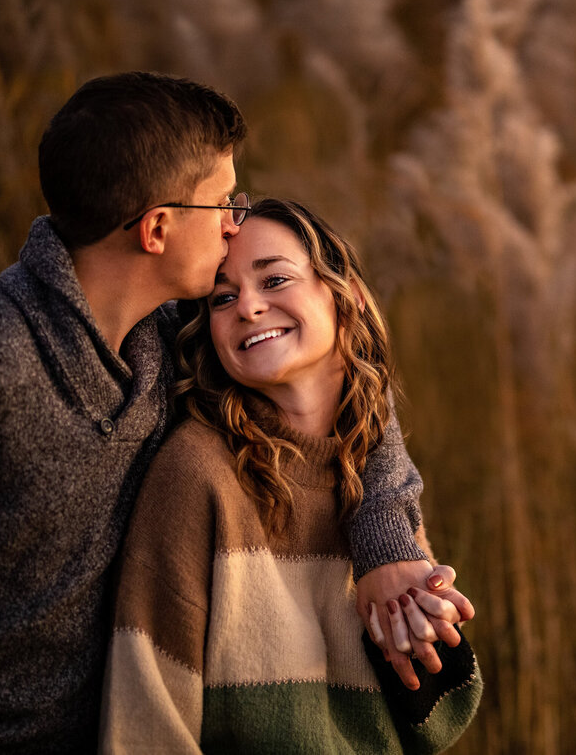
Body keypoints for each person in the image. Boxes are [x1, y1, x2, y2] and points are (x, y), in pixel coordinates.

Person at [0, 73, 463, 755]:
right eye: (220, 203)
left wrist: (385, 543)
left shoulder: (167, 333)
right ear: (157, 228)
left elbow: (334, 371)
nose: (234, 223)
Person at [99, 198, 482, 753]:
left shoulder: (380, 491)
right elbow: (147, 721)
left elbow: (437, 722)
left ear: (343, 296)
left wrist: (423, 637)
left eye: (275, 279)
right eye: (222, 297)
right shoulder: (197, 473)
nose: (249, 307)